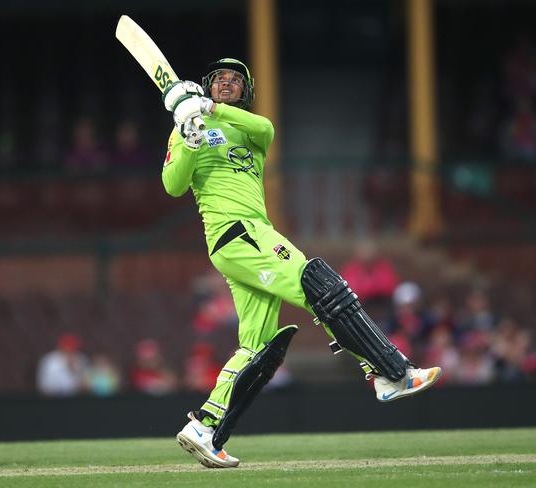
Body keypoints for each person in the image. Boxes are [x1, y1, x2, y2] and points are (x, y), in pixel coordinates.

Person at [161, 58, 441, 469]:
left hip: (246, 237)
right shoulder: (185, 130)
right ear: (208, 83)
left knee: (256, 346)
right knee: (318, 283)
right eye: (219, 79)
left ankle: (205, 427)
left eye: (235, 81)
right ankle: (390, 371)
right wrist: (188, 134)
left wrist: (206, 109)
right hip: (237, 232)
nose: (226, 84)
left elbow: (266, 129)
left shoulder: (247, 127)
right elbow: (172, 186)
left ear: (244, 92)